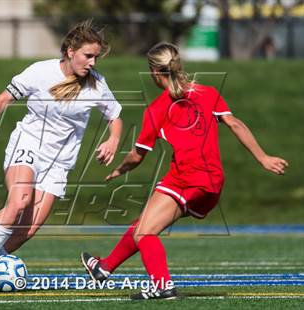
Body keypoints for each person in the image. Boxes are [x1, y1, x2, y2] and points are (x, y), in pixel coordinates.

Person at [81, 42, 288, 300]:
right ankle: (104, 267)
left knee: (146, 232)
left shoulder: (157, 109)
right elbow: (234, 123)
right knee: (147, 223)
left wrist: (119, 169)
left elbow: (137, 156)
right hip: (211, 183)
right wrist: (263, 157)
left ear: (156, 73)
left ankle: (162, 285)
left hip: (186, 178)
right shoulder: (208, 92)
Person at [0, 20, 123, 293]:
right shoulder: (40, 72)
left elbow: (115, 117)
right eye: (87, 55)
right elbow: (3, 98)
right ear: (70, 51)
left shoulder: (97, 85)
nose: (92, 62)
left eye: (95, 57)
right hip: (28, 144)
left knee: (27, 230)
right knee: (20, 200)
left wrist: (113, 139)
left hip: (59, 163)